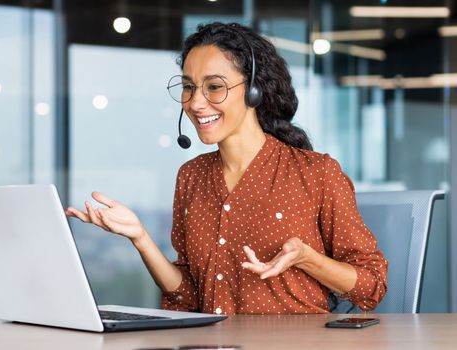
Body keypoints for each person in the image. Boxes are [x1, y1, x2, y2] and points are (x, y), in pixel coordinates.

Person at [66, 22, 388, 315]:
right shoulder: (191, 177)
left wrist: (308, 259)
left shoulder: (317, 173)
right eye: (189, 87)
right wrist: (139, 237)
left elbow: (372, 285)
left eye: (214, 87)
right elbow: (190, 298)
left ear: (253, 90)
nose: (195, 103)